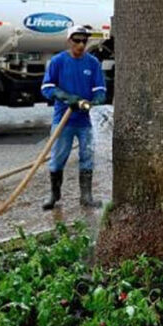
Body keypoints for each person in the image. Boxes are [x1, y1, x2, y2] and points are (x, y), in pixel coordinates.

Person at [40, 25, 107, 210]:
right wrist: (65, 97)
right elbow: (46, 88)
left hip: (85, 121)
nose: (80, 44)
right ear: (69, 41)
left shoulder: (92, 63)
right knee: (58, 157)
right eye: (77, 40)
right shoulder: (58, 62)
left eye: (84, 41)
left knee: (87, 156)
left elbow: (100, 88)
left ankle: (86, 196)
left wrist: (97, 99)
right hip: (64, 119)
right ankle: (54, 194)